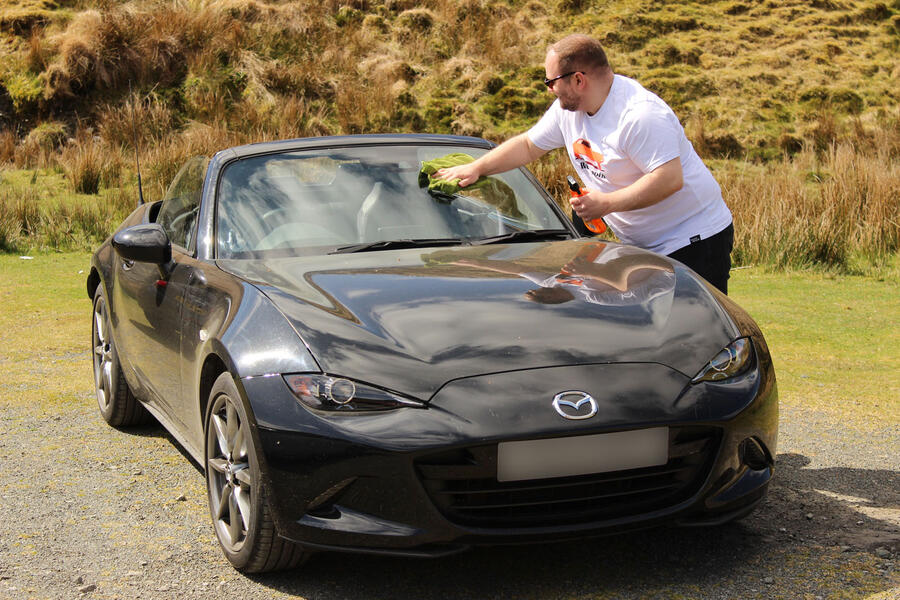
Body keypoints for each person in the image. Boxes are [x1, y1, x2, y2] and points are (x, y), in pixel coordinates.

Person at [436, 34, 735, 294]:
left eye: (551, 82)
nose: (549, 90)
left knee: (694, 333)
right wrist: (477, 168)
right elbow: (528, 145)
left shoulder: (640, 116)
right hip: (641, 245)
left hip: (695, 239)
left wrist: (606, 203)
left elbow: (669, 178)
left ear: (579, 80)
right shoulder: (568, 111)